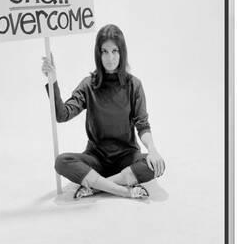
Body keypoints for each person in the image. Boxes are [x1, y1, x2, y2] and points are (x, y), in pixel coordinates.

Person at [41, 24, 165, 199]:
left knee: (157, 165)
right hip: (96, 159)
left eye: (115, 51)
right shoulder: (88, 85)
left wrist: (152, 150)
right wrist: (52, 81)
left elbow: (142, 124)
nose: (110, 58)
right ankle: (124, 190)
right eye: (104, 51)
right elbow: (62, 115)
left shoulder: (134, 85)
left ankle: (97, 186)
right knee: (62, 162)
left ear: (122, 52)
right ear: (98, 54)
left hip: (126, 159)